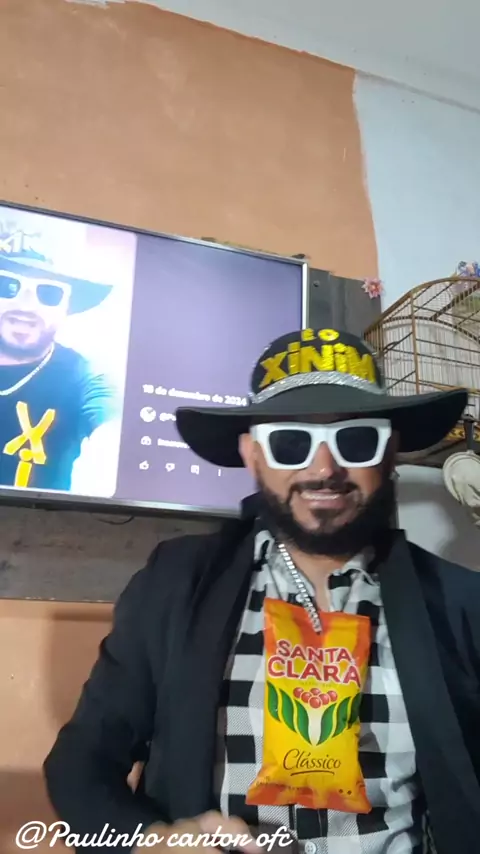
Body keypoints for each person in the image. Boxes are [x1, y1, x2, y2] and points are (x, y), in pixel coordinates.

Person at [43, 326, 480, 854]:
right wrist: (150, 842)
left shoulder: (460, 603)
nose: (325, 469)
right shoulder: (177, 582)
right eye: (291, 443)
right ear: (252, 455)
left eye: (356, 440)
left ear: (389, 455)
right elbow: (84, 759)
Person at [0, 219, 117, 492]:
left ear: (67, 306)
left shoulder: (84, 376)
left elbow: (113, 425)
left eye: (49, 293)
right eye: (7, 286)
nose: (26, 306)